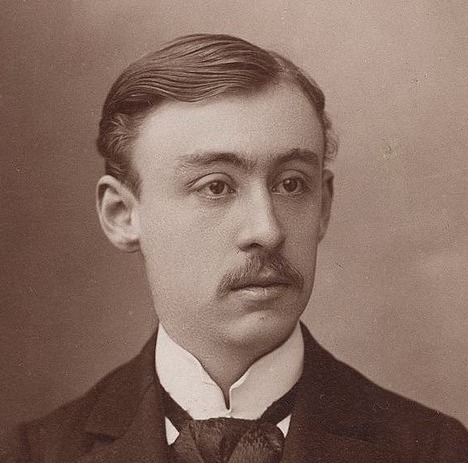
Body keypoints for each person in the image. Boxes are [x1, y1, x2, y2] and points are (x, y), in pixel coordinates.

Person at [1, 33, 467, 463]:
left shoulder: (436, 450)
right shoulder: (32, 454)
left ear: (323, 206)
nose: (268, 230)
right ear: (122, 215)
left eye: (291, 184)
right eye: (216, 187)